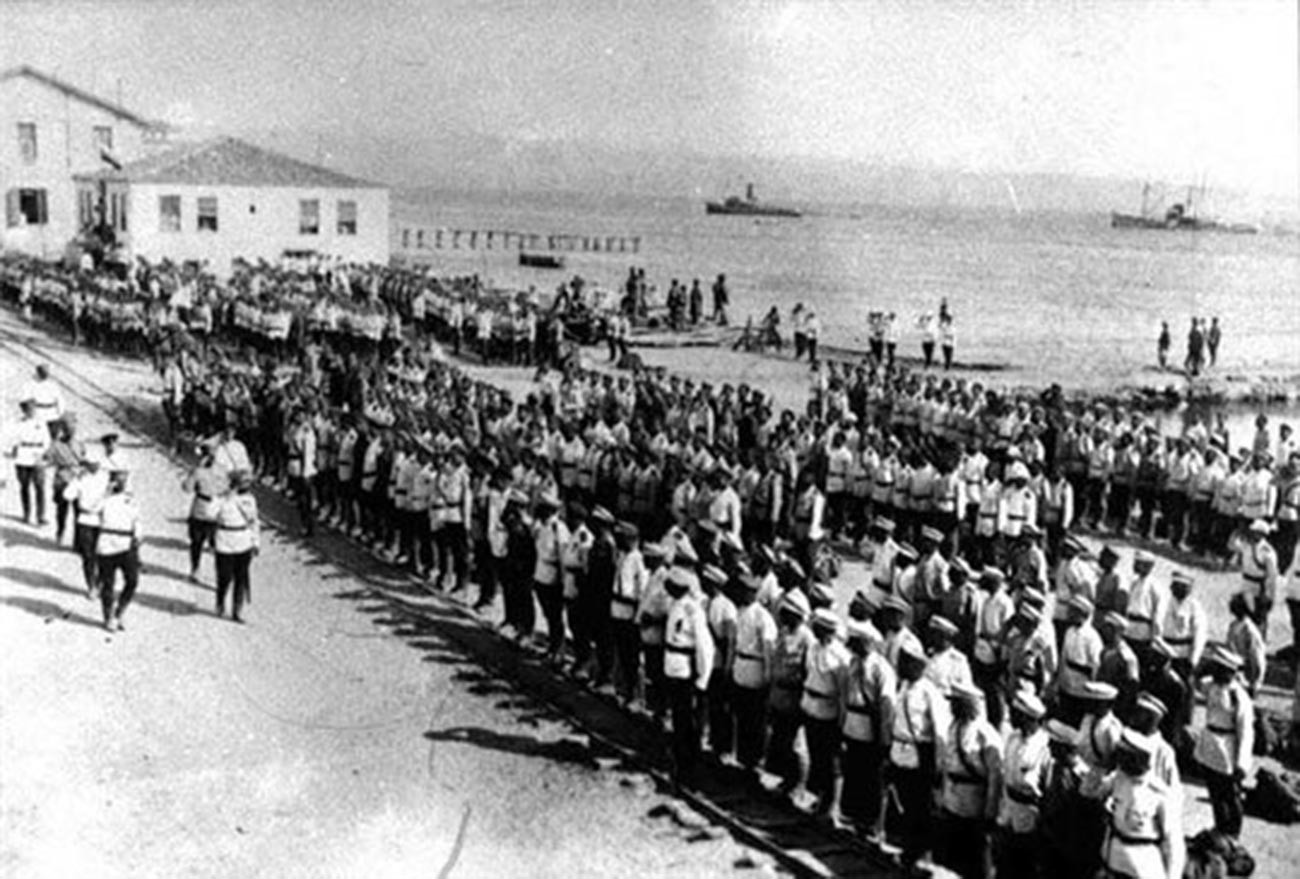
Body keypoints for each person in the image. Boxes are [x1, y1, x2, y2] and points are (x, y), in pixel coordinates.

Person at [888, 637, 947, 875]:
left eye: (905, 662)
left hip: (919, 756)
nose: (900, 665)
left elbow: (941, 733)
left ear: (916, 665)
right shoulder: (903, 686)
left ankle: (919, 856)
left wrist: (938, 766)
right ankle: (908, 851)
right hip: (901, 752)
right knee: (905, 806)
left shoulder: (929, 693)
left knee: (919, 809)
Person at [1098, 729, 1185, 879]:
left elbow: (1174, 846)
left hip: (1141, 869)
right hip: (1111, 864)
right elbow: (1091, 791)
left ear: (1140, 760)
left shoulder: (1159, 795)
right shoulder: (1118, 779)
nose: (1121, 761)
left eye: (1126, 757)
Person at [937, 683, 1002, 879]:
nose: (951, 707)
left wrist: (990, 811)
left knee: (976, 860)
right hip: (953, 801)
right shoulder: (954, 726)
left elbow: (995, 776)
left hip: (974, 804)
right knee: (952, 857)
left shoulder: (986, 735)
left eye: (956, 703)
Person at [839, 617, 896, 835]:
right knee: (854, 772)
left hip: (871, 729)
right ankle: (853, 816)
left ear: (868, 643)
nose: (852, 646)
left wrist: (884, 739)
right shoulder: (853, 663)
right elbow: (846, 696)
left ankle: (871, 823)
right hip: (853, 726)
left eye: (856, 642)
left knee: (871, 778)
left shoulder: (882, 669)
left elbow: (886, 707)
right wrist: (843, 724)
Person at [1194, 644, 1254, 839]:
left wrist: (1242, 764)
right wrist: (1202, 668)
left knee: (1230, 794)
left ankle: (1233, 832)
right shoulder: (1212, 686)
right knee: (1215, 793)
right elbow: (1196, 681)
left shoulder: (1238, 697)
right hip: (1210, 744)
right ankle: (1220, 827)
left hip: (1227, 748)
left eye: (1220, 668)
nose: (1216, 672)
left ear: (1230, 671)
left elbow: (1246, 733)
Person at [663, 564, 714, 783]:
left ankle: (688, 767)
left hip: (685, 670)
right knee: (678, 718)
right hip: (673, 668)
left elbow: (705, 648)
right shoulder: (676, 605)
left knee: (686, 722)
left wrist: (702, 679)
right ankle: (679, 760)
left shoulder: (694, 611)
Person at [95, 469, 141, 632]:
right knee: (108, 584)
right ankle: (108, 616)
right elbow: (93, 509)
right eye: (117, 481)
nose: (120, 484)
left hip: (126, 544)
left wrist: (138, 536)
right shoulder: (104, 499)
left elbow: (137, 520)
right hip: (107, 543)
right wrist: (105, 494)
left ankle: (119, 611)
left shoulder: (131, 500)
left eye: (123, 481)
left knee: (132, 581)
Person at [213, 469, 259, 622]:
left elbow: (254, 522)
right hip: (225, 540)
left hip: (243, 540)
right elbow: (211, 513)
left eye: (247, 483)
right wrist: (225, 497)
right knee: (224, 576)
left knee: (241, 578)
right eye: (243, 482)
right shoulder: (222, 498)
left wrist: (256, 542)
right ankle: (220, 600)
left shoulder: (250, 500)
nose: (246, 485)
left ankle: (237, 610)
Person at [181, 439, 226, 582]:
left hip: (200, 507)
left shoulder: (198, 471)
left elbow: (187, 488)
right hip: (216, 508)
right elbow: (226, 488)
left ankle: (195, 570)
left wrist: (191, 475)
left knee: (196, 542)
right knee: (218, 544)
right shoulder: (222, 470)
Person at [63, 455, 109, 596]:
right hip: (85, 520)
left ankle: (101, 582)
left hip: (102, 521)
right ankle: (91, 585)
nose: (94, 466)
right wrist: (75, 480)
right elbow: (67, 495)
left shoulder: (105, 478)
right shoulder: (81, 479)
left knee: (103, 554)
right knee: (88, 555)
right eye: (90, 464)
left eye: (96, 464)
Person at [8, 399, 50, 524]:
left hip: (37, 455)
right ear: (24, 410)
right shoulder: (18, 423)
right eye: (28, 409)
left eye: (33, 409)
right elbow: (14, 439)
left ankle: (40, 515)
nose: (31, 411)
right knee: (24, 486)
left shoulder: (41, 423)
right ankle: (26, 513)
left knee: (40, 487)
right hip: (23, 455)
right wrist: (14, 450)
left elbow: (46, 440)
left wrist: (42, 454)